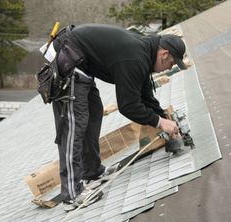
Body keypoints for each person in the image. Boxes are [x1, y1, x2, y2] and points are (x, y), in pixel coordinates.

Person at [42, 24, 187, 211]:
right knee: (74, 126)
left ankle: (92, 172)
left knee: (94, 112)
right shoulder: (135, 58)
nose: (169, 68)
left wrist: (165, 119)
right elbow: (128, 106)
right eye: (171, 64)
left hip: (81, 65)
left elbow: (145, 97)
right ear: (164, 54)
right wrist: (160, 123)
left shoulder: (145, 52)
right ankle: (72, 194)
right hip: (67, 59)